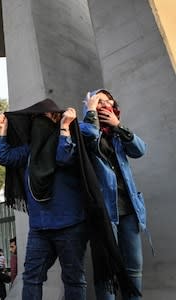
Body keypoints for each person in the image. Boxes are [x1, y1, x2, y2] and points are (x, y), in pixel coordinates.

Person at [0, 100, 88, 300]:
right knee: (31, 277)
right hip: (39, 227)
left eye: (42, 117)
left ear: (55, 117)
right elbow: (5, 157)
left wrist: (64, 127)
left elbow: (64, 157)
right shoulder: (30, 150)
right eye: (34, 118)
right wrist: (3, 130)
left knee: (73, 279)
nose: (38, 122)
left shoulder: (67, 139)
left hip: (69, 224)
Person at [80, 89, 147, 300]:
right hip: (105, 211)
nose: (105, 104)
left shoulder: (118, 133)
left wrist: (118, 126)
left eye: (108, 101)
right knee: (106, 270)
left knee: (134, 267)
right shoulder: (84, 128)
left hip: (129, 208)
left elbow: (139, 150)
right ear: (90, 105)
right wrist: (90, 112)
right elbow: (88, 135)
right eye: (99, 101)